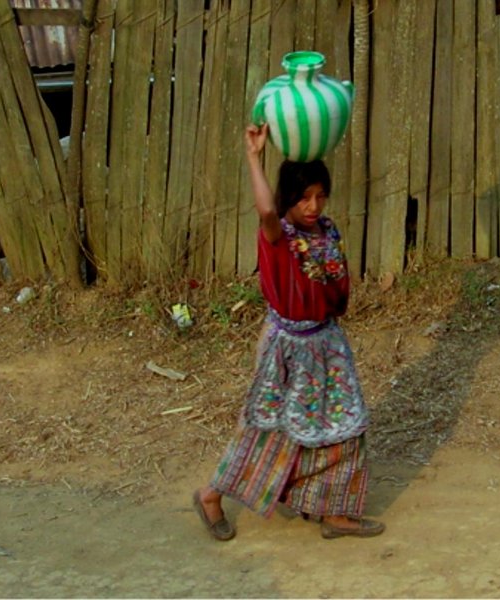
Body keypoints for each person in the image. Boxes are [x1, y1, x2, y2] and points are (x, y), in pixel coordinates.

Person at [192, 123, 385, 541]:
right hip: (288, 348)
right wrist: (253, 157)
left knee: (345, 427)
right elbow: (264, 212)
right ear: (287, 200)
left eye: (319, 195)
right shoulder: (279, 236)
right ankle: (211, 494)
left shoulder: (326, 231)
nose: (312, 205)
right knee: (271, 433)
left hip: (328, 344)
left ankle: (334, 512)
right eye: (303, 197)